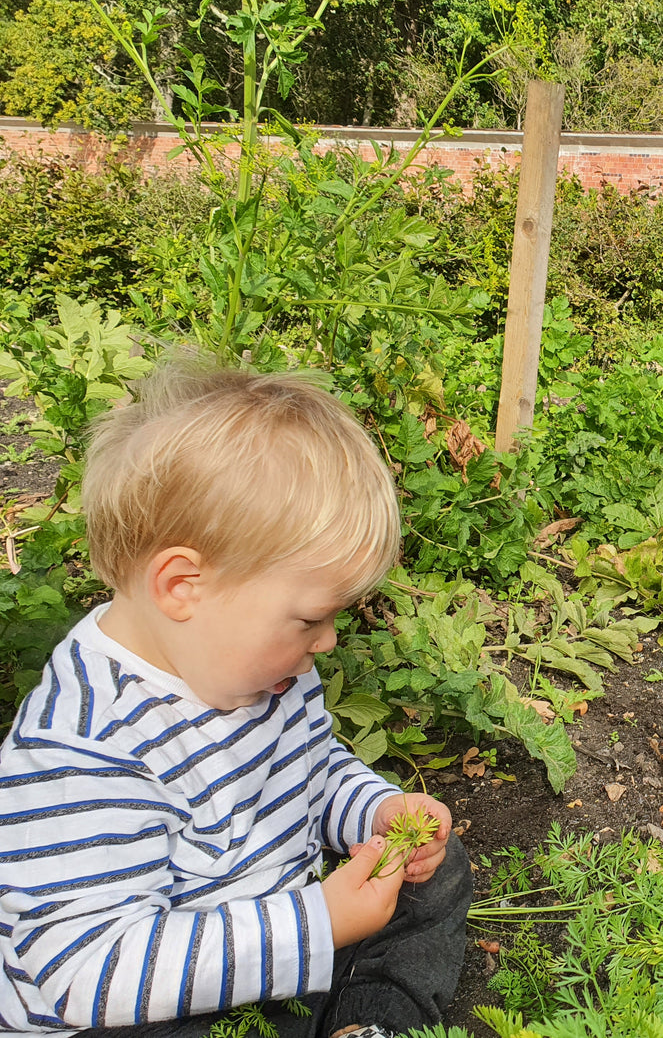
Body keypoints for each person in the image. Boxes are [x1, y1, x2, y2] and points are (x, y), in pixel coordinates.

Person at [0, 365, 473, 1038]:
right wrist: (317, 924)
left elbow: (311, 768)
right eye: (309, 619)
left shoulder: (264, 669)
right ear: (184, 586)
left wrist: (375, 810)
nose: (328, 641)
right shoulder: (82, 746)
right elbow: (85, 974)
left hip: (268, 942)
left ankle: (370, 1022)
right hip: (133, 1005)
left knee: (435, 874)